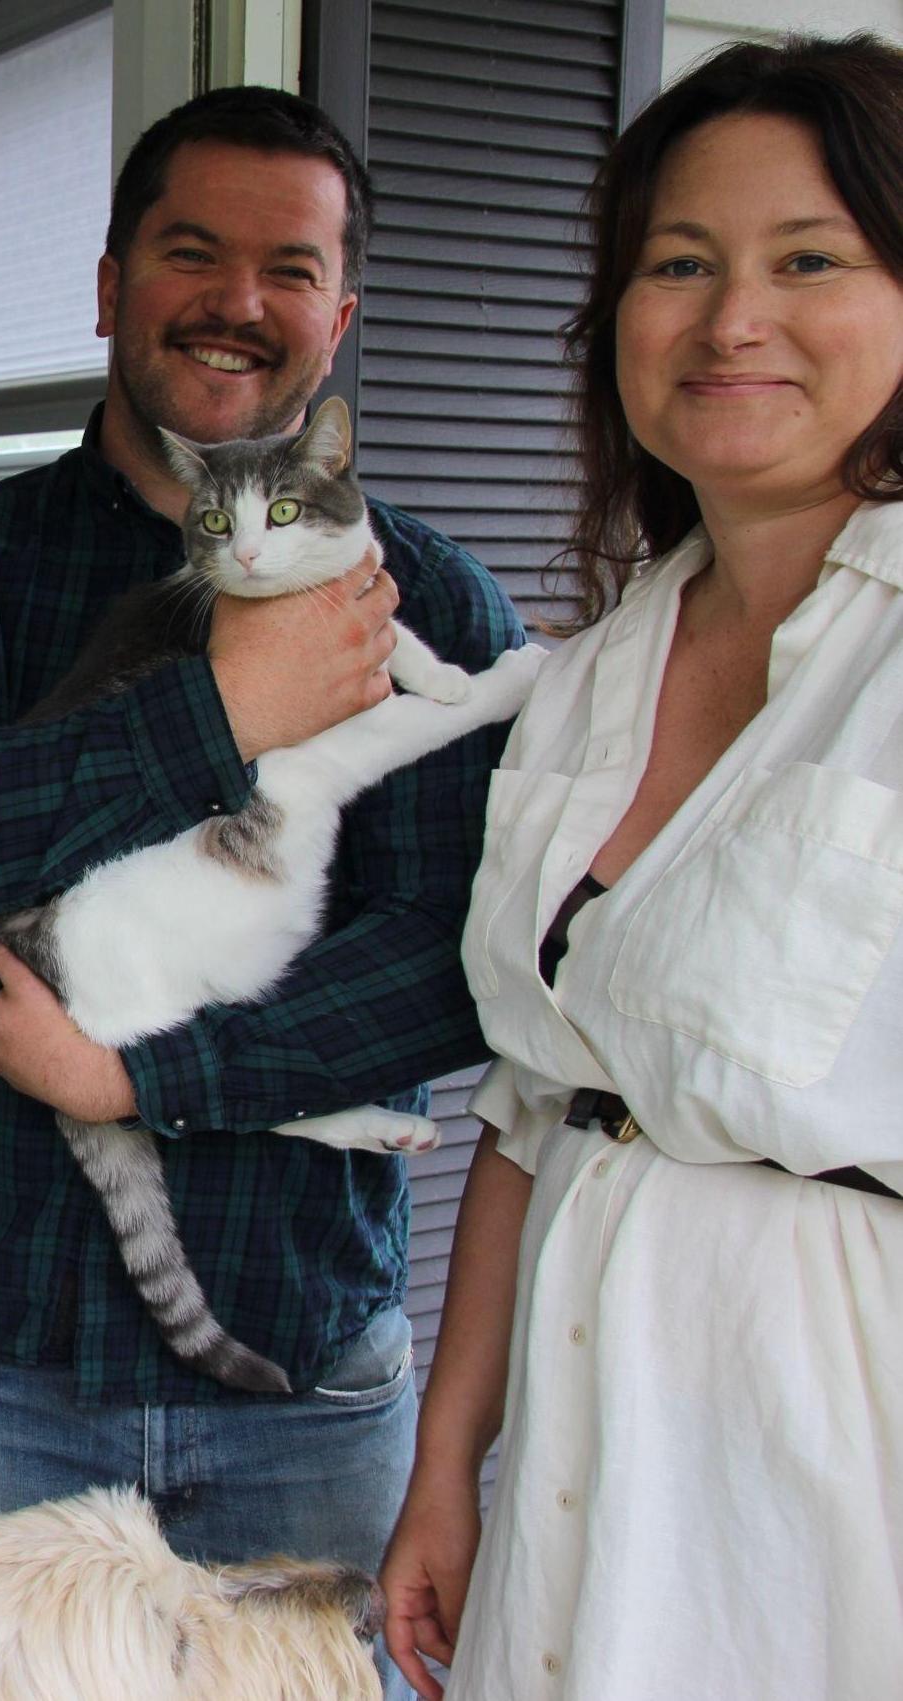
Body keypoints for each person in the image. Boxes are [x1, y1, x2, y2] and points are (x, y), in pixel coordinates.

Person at [0, 87, 521, 1691]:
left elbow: (451, 968)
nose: (237, 303)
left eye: (290, 267)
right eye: (189, 252)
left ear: (337, 314)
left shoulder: (435, 596)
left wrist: (147, 1077)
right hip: (18, 1347)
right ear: (110, 281)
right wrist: (215, 712)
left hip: (309, 1354)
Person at [379, 34, 903, 1701]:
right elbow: (537, 1107)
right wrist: (445, 1461)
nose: (730, 318)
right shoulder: (592, 674)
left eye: (807, 260)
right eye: (679, 264)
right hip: (583, 1458)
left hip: (825, 1492)